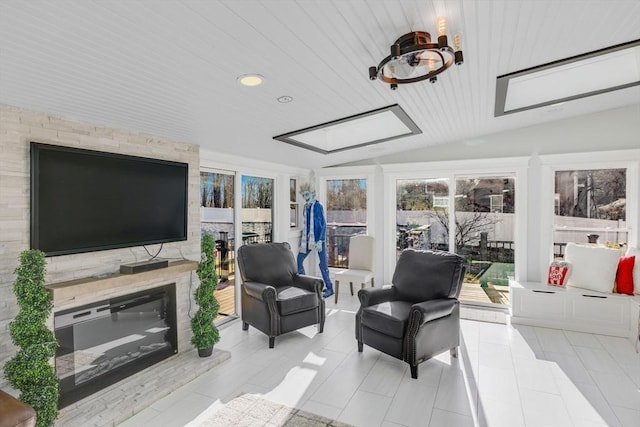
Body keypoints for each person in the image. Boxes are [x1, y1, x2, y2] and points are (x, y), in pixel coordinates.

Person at [297, 183, 334, 299]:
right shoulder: (306, 207)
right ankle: (305, 286)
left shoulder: (318, 206)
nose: (305, 197)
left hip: (319, 240)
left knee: (323, 263)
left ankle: (330, 288)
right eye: (303, 195)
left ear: (312, 193)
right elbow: (307, 224)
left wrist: (321, 240)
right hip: (308, 239)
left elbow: (323, 224)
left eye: (306, 194)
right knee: (299, 260)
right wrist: (303, 238)